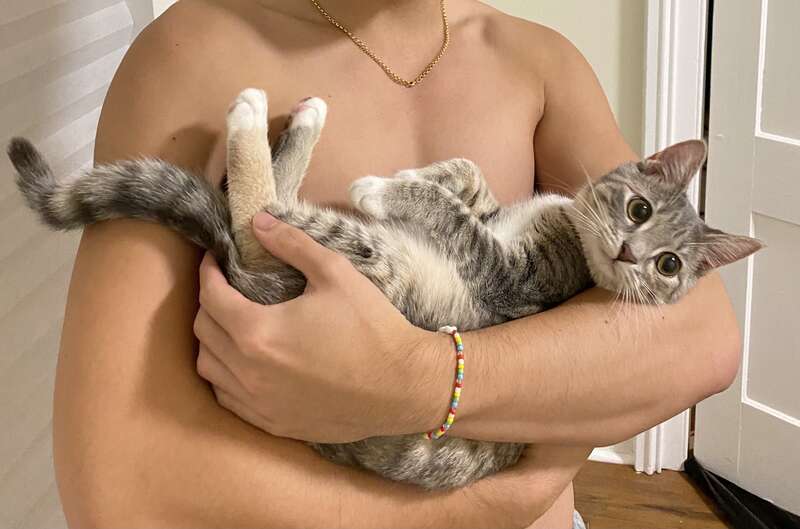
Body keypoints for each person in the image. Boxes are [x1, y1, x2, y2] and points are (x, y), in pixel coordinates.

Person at [54, 0, 742, 527]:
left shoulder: (538, 62)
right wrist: (480, 507)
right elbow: (114, 479)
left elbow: (703, 338)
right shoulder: (187, 52)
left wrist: (413, 378)